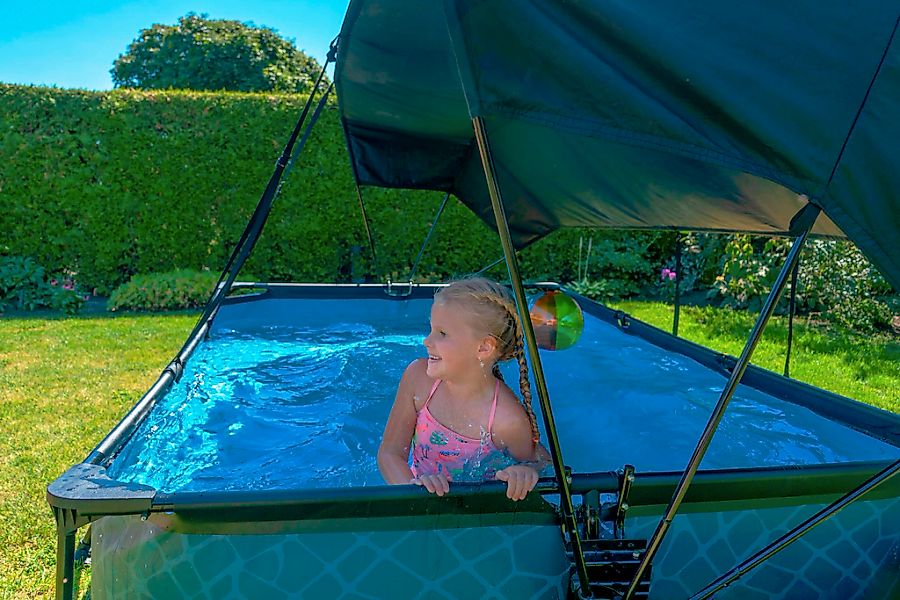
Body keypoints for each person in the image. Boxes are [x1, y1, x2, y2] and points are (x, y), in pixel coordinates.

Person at [378, 277, 549, 501]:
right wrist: (413, 490)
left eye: (442, 333)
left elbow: (540, 463)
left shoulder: (506, 420)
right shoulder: (418, 379)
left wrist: (526, 473)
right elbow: (389, 453)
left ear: (484, 347)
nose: (426, 341)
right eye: (431, 329)